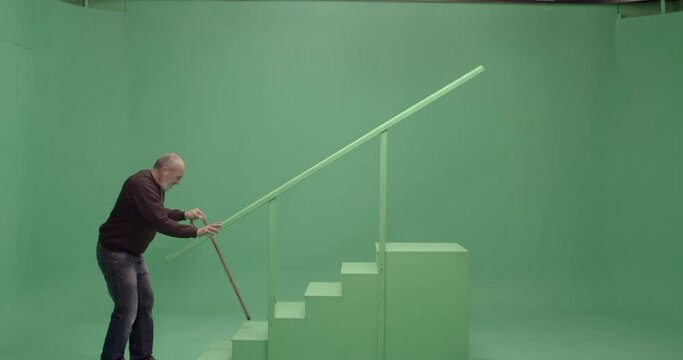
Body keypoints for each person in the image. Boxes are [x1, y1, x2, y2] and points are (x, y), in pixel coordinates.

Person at [96, 153, 221, 360]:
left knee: (145, 305)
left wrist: (184, 215)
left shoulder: (153, 186)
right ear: (165, 170)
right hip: (116, 254)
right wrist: (194, 232)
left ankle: (143, 357)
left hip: (134, 255)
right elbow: (159, 221)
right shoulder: (140, 184)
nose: (179, 182)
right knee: (126, 311)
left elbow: (158, 211)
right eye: (178, 177)